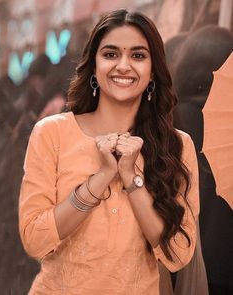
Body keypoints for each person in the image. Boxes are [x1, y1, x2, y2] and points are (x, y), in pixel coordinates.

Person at [19, 9, 199, 295]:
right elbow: (34, 239)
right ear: (93, 66)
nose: (123, 66)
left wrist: (131, 178)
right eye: (111, 54)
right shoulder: (51, 133)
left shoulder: (175, 146)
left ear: (153, 72)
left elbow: (178, 254)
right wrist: (101, 177)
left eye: (138, 56)